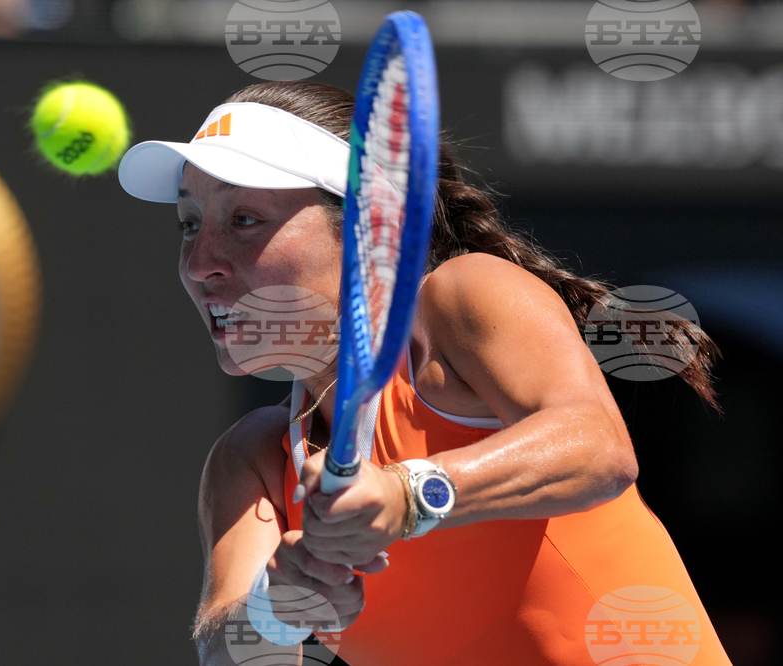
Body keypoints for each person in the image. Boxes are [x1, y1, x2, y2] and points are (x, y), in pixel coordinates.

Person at [118, 80, 732, 666]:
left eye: (244, 219)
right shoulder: (252, 459)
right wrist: (274, 607)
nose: (200, 264)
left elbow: (599, 448)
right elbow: (222, 647)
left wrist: (407, 494)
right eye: (190, 223)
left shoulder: (463, 297)